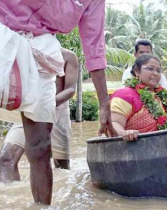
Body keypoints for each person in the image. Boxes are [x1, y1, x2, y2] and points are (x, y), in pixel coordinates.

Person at [0, 1, 116, 205]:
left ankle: (42, 207)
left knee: (41, 146)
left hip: (43, 55)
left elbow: (94, 46)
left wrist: (104, 104)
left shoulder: (68, 56)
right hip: (3, 33)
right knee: (7, 158)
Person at [0, 48, 78, 182]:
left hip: (57, 111)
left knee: (61, 167)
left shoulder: (68, 56)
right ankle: (14, 199)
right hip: (28, 110)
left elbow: (70, 89)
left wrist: (46, 104)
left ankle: (57, 200)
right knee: (6, 158)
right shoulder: (23, 50)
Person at [111, 55, 167, 141]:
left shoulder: (162, 97)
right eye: (150, 69)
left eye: (158, 71)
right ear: (137, 71)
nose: (155, 73)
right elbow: (113, 123)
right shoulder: (125, 95)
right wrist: (124, 133)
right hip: (134, 149)